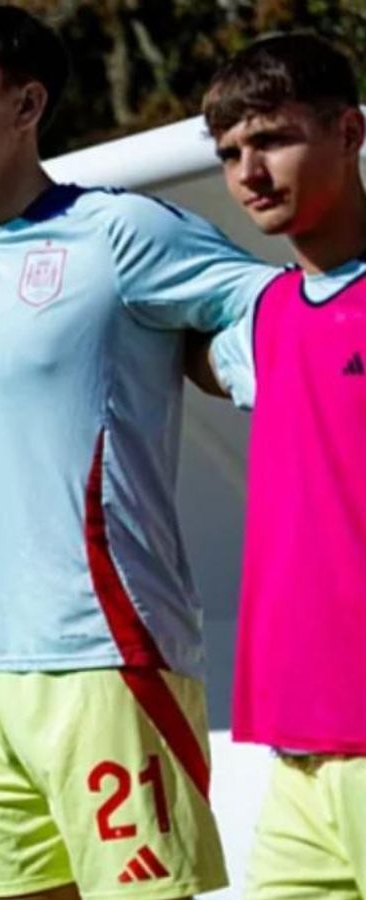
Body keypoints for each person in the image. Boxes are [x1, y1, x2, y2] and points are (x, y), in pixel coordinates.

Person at [0, 6, 278, 898]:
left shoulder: (120, 233)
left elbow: (275, 312)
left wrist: (199, 361)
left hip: (105, 651)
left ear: (28, 103)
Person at [196, 34, 366, 899]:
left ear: (349, 130)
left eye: (272, 139)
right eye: (230, 152)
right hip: (296, 760)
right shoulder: (259, 321)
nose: (249, 171)